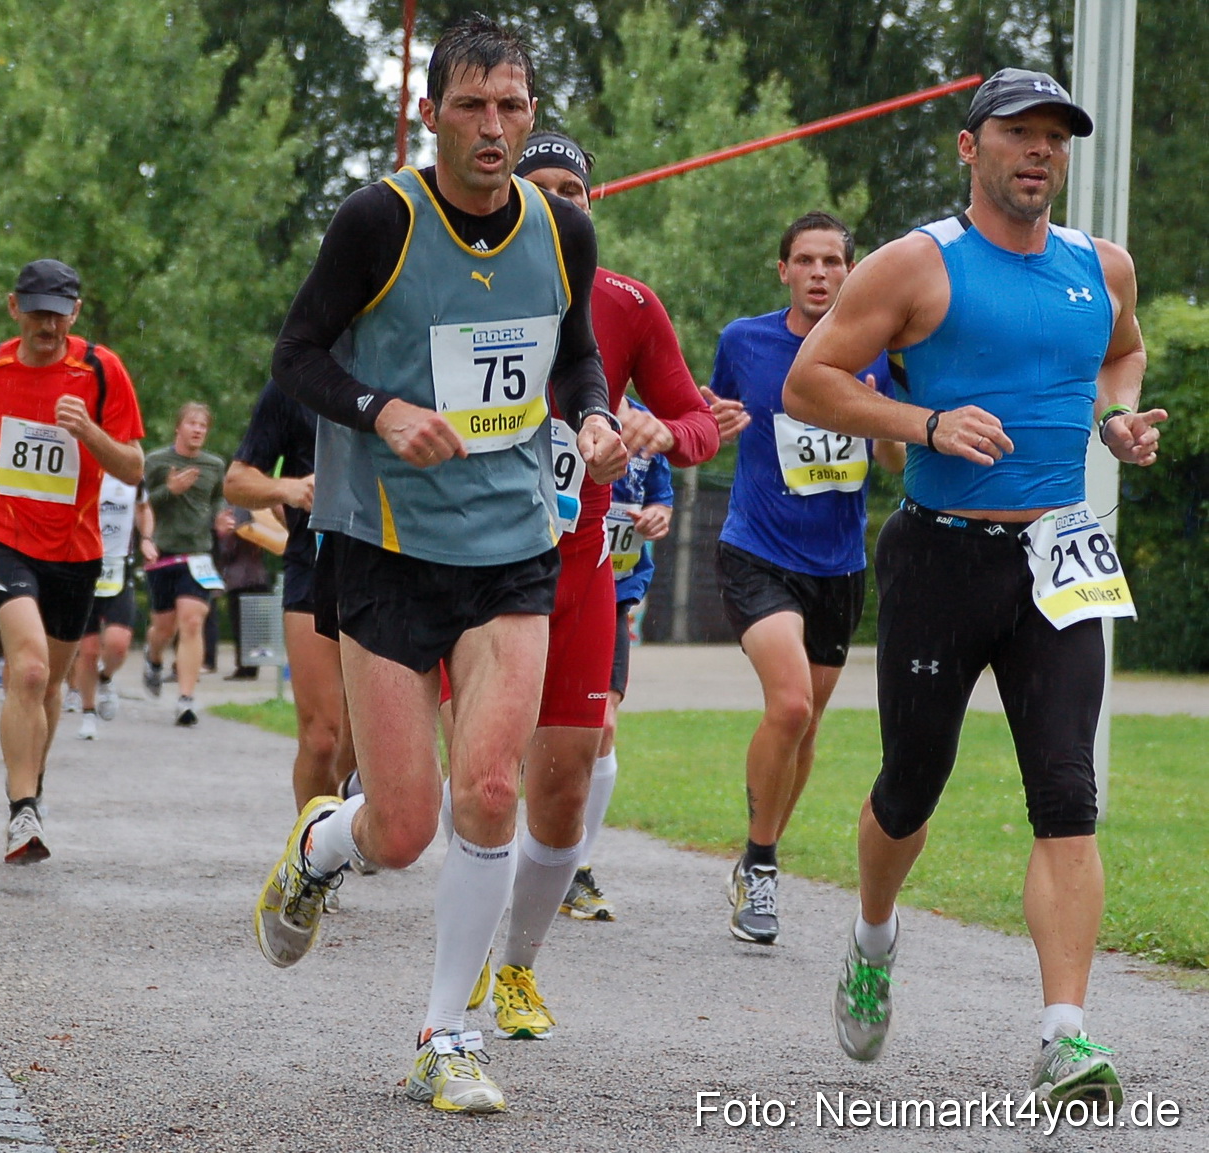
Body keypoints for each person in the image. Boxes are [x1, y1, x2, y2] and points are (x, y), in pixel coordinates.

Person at [252, 18, 629, 1114]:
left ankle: (446, 1034)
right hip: (384, 546)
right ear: (433, 114)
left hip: (512, 544)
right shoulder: (379, 219)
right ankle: (321, 849)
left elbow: (578, 358)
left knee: (493, 787)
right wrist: (383, 410)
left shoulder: (564, 232)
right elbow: (296, 358)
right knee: (401, 829)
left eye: (512, 105)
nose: (496, 127)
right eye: (473, 106)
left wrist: (599, 419)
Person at [785, 69, 1162, 1107]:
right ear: (969, 148)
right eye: (1018, 134)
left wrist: (1115, 420)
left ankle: (1065, 1035)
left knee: (1068, 796)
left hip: (1059, 560)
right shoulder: (919, 263)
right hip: (938, 556)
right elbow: (809, 378)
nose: (1039, 152)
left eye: (1054, 137)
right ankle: (872, 937)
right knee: (912, 782)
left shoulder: (1103, 266)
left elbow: (1122, 355)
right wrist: (925, 424)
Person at [461, 134, 717, 1025]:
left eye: (577, 190)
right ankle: (350, 857)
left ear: (595, 204)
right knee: (471, 784)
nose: (564, 204)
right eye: (545, 189)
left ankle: (516, 970)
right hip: (477, 569)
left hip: (582, 574)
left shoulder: (628, 304)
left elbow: (696, 420)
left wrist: (659, 433)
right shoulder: (462, 287)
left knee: (563, 787)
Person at [700, 212, 903, 946]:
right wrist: (709, 421)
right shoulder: (744, 341)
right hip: (756, 548)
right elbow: (713, 414)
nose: (820, 273)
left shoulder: (878, 349)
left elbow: (895, 462)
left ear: (852, 274)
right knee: (787, 706)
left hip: (838, 565)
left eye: (834, 262)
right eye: (806, 260)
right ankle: (761, 864)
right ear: (782, 269)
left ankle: (756, 852)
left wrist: (891, 434)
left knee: (808, 723)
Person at [0, 257, 146, 864]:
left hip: (76, 552)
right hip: (5, 536)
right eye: (35, 311)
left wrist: (90, 435)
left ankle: (33, 784)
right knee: (25, 672)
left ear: (74, 313)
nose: (45, 325)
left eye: (57, 313)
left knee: (50, 683)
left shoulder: (101, 371)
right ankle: (21, 810)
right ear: (13, 307)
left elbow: (133, 466)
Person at [564, 399, 674, 922]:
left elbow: (662, 503)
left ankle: (576, 869)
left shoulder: (648, 430)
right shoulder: (559, 407)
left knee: (602, 727)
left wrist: (658, 516)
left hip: (615, 594)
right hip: (548, 590)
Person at [225, 380, 356, 809]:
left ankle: (358, 816)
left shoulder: (403, 370)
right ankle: (311, 853)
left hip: (388, 572)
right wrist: (288, 489)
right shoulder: (291, 386)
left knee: (359, 743)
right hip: (313, 567)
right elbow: (237, 482)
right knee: (322, 738)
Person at [141, 402, 229, 726]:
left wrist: (221, 516)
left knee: (192, 621)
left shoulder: (214, 465)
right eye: (192, 423)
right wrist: (170, 490)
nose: (197, 430)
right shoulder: (156, 461)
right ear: (178, 427)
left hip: (198, 556)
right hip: (163, 553)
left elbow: (218, 497)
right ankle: (153, 659)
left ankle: (186, 700)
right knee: (163, 627)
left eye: (203, 426)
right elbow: (142, 503)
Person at [72, 472, 151, 738]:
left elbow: (143, 507)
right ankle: (88, 713)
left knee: (118, 643)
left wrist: (147, 538)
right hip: (83, 567)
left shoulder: (130, 474)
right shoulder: (79, 470)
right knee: (89, 650)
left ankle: (105, 679)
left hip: (119, 568)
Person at [216, 503, 270, 680]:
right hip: (258, 578)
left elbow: (227, 552)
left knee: (240, 626)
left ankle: (244, 667)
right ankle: (251, 666)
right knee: (253, 627)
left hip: (239, 581)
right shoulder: (260, 529)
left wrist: (222, 536)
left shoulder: (235, 530)